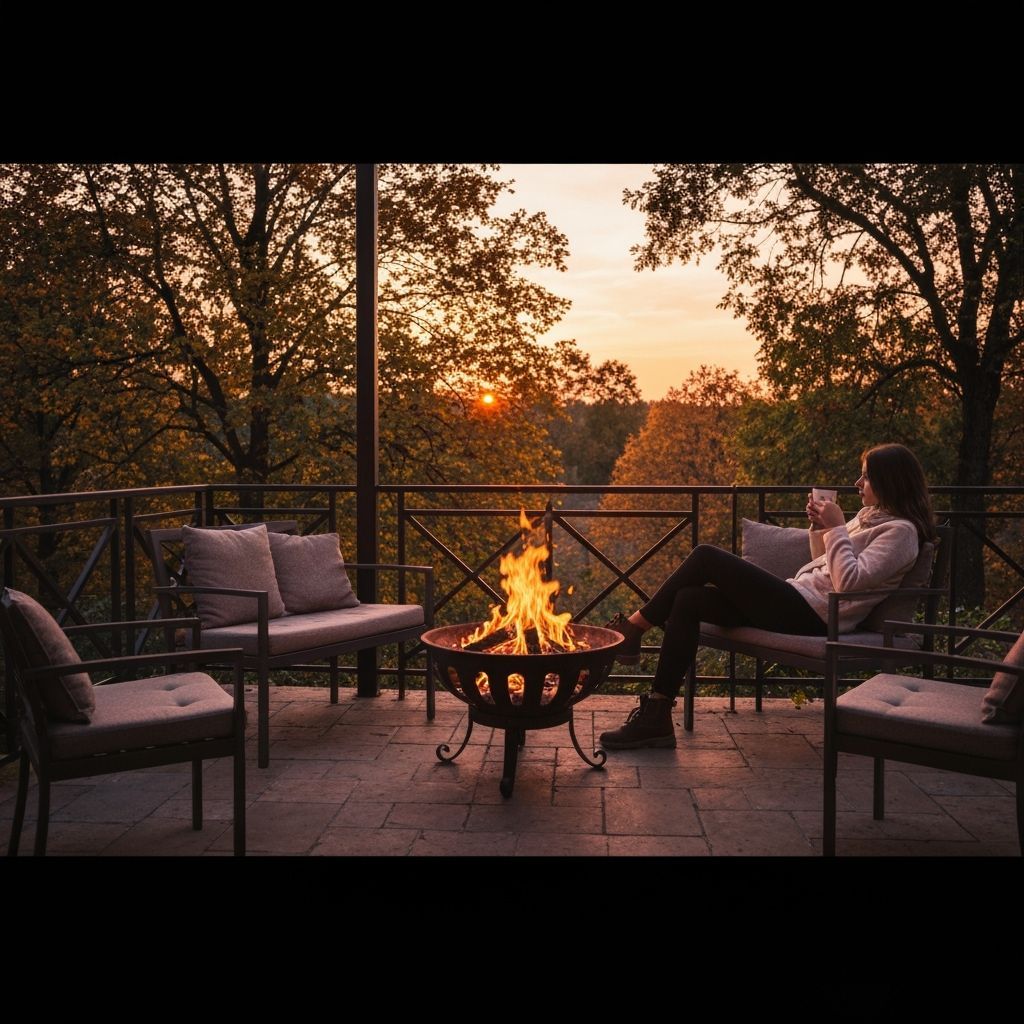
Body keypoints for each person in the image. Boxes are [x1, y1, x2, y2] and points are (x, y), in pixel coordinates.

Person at [600, 443, 937, 749]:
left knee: (705, 556)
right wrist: (821, 529)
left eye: (865, 477)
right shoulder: (869, 519)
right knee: (689, 599)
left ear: (889, 481)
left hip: (816, 615)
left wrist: (836, 527)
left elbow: (848, 582)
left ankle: (633, 629)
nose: (857, 484)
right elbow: (824, 565)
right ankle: (656, 716)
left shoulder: (901, 532)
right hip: (799, 600)